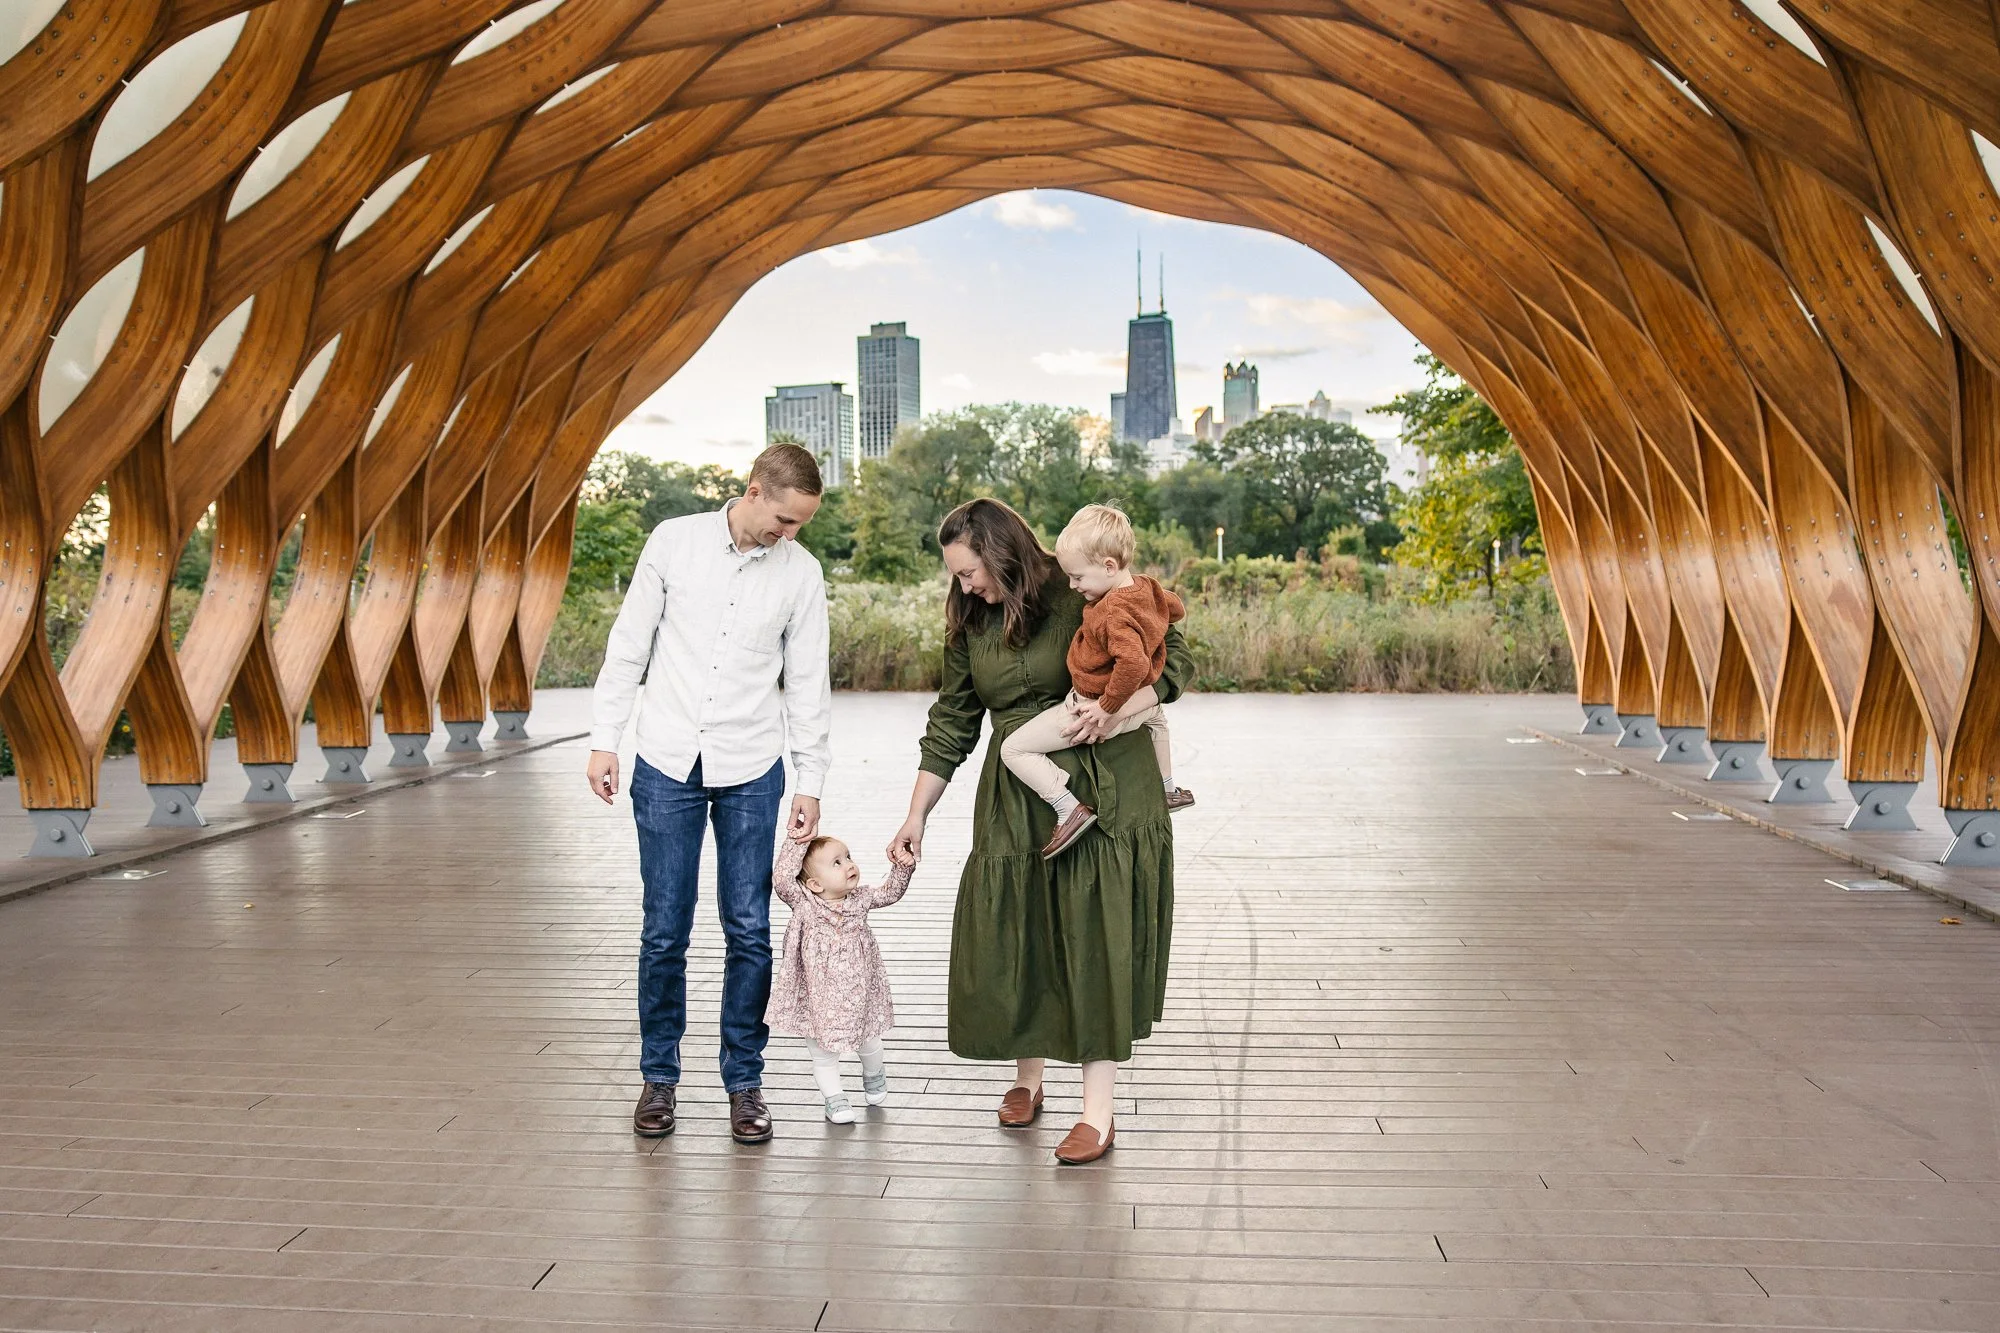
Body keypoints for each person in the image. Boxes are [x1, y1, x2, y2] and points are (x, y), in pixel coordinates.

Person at [888, 497, 1191, 1165]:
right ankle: (1029, 1077)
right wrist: (916, 813)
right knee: (1019, 932)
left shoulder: (1082, 582)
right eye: (956, 575)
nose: (962, 586)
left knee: (1091, 937)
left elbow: (1174, 662)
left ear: (1001, 554)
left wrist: (1121, 710)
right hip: (1018, 793)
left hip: (1102, 781)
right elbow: (953, 719)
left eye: (969, 572)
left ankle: (1098, 1112)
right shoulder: (971, 616)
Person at [586, 443, 831, 1146]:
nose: (790, 535)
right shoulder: (674, 541)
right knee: (665, 928)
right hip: (666, 759)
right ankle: (659, 1076)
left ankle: (744, 1081)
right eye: (784, 519)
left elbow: (808, 682)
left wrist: (809, 779)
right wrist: (606, 736)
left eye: (800, 525)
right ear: (753, 491)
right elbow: (629, 644)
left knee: (748, 930)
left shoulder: (802, 573)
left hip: (754, 766)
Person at [1000, 503, 1195, 860]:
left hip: (1088, 708)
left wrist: (1107, 707)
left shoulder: (1112, 613)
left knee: (1014, 749)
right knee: (1156, 718)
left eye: (1077, 577)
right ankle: (1167, 787)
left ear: (1108, 566)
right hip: (1138, 706)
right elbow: (1175, 609)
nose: (1073, 586)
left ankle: (1067, 807)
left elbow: (1133, 663)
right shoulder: (1147, 588)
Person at [767, 831, 914, 1123]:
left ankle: (873, 1074)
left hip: (859, 992)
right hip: (817, 995)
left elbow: (890, 892)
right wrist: (797, 840)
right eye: (836, 862)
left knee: (869, 1041)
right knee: (822, 1052)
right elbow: (783, 879)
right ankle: (835, 1099)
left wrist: (902, 867)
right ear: (814, 883)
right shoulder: (805, 903)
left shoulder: (859, 899)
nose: (848, 865)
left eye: (848, 857)